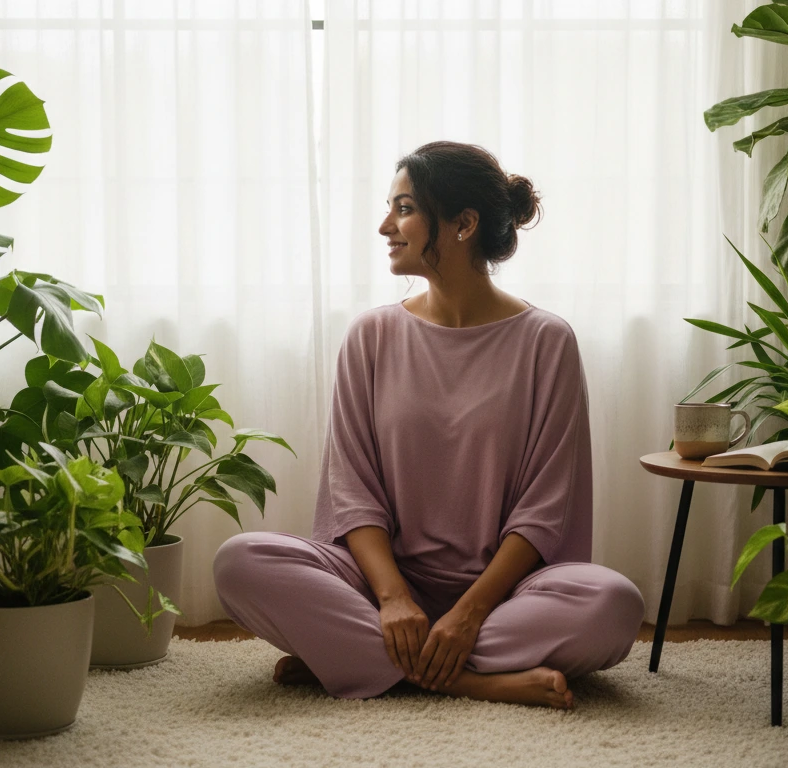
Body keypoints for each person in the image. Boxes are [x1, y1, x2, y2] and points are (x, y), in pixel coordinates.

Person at [213, 141, 645, 710]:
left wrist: (468, 613)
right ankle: (475, 680)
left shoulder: (546, 342)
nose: (385, 226)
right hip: (377, 586)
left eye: (405, 209)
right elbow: (353, 491)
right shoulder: (371, 337)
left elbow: (544, 509)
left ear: (463, 224)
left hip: (507, 595)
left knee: (614, 604)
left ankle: (354, 657)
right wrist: (392, 599)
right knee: (239, 561)